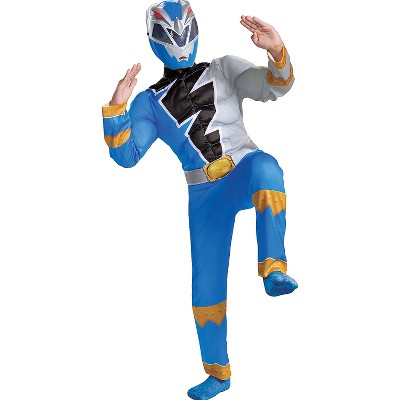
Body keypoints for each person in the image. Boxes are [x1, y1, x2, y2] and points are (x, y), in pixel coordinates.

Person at [102, 1, 298, 399]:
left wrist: (277, 51)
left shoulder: (224, 68)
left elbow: (274, 86)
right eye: (168, 32)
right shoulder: (148, 102)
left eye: (183, 29)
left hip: (242, 168)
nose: (178, 39)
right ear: (153, 37)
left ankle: (273, 268)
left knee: (267, 169)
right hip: (203, 192)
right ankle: (218, 373)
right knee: (206, 282)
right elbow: (126, 156)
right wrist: (117, 108)